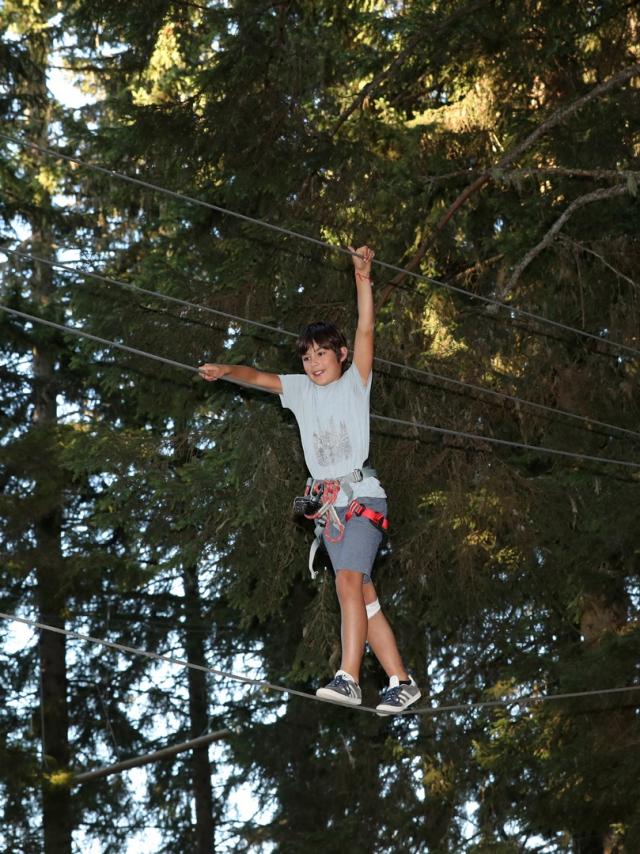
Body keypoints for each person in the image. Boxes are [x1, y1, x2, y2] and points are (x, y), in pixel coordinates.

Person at [199, 246, 420, 715]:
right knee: (363, 597)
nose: (314, 363)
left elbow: (366, 329)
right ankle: (401, 681)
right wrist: (225, 371)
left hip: (361, 499)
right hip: (329, 513)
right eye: (306, 357)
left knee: (346, 583)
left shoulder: (355, 382)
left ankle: (349, 678)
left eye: (321, 353)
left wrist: (363, 278)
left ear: (341, 355)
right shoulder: (300, 391)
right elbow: (258, 377)